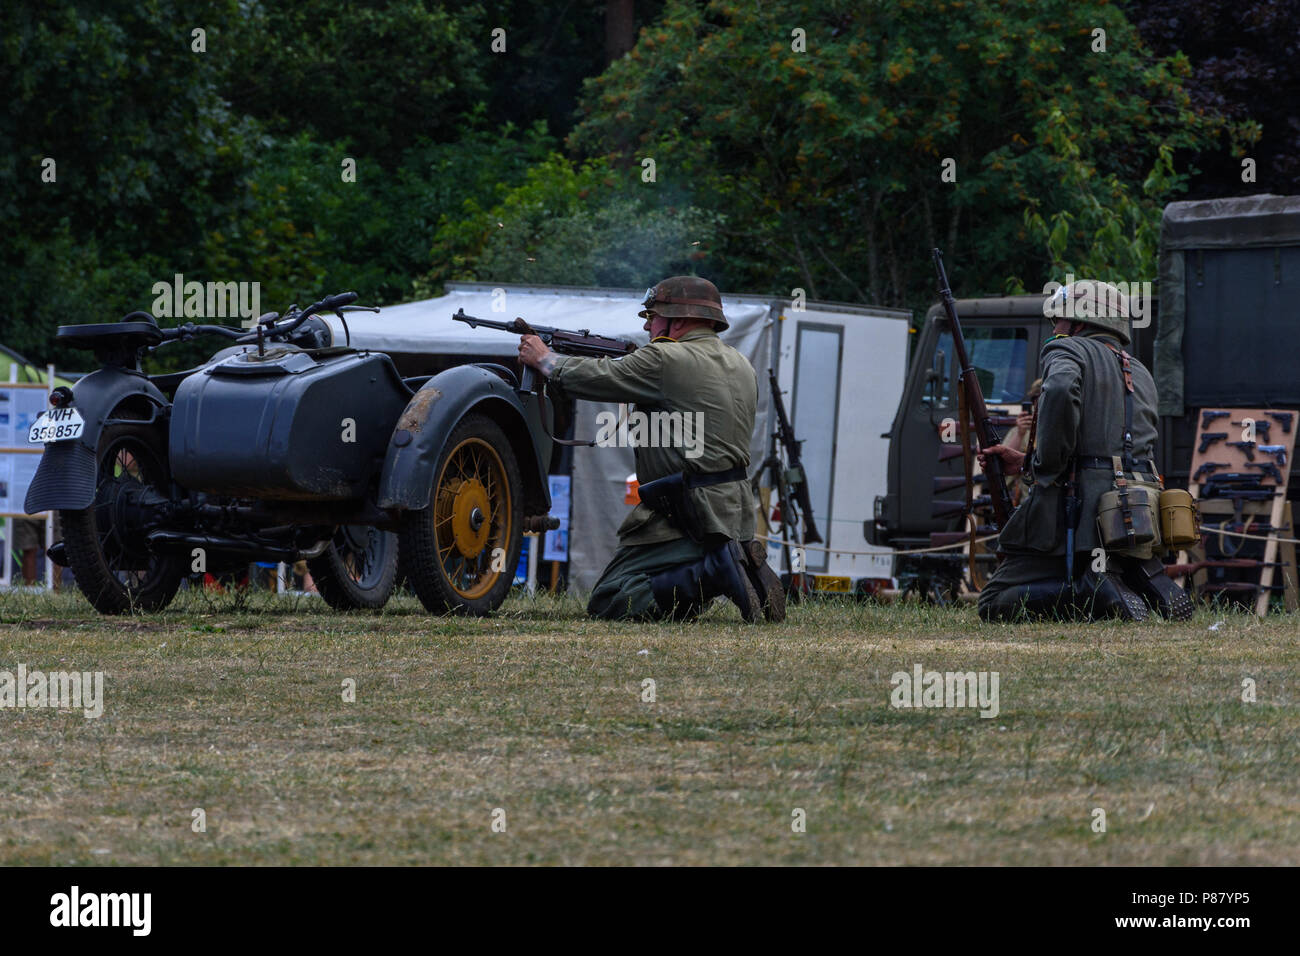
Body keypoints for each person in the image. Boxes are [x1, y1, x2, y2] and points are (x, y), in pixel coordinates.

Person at [516, 276, 784, 623]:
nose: (646, 324)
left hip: (687, 513)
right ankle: (731, 563)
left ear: (680, 318)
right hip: (734, 512)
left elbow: (600, 377)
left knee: (612, 599)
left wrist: (546, 360)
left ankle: (715, 572)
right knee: (664, 597)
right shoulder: (739, 362)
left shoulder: (666, 358)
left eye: (652, 316)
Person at [977, 280, 1193, 622]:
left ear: (1080, 322)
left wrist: (1043, 466)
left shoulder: (1067, 350)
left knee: (994, 602)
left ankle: (1092, 590)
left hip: (1080, 509)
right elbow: (1113, 444)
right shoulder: (1140, 371)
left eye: (1059, 319)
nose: (1055, 327)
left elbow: (1061, 391)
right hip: (1135, 512)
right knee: (1105, 567)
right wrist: (1024, 464)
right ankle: (1144, 580)